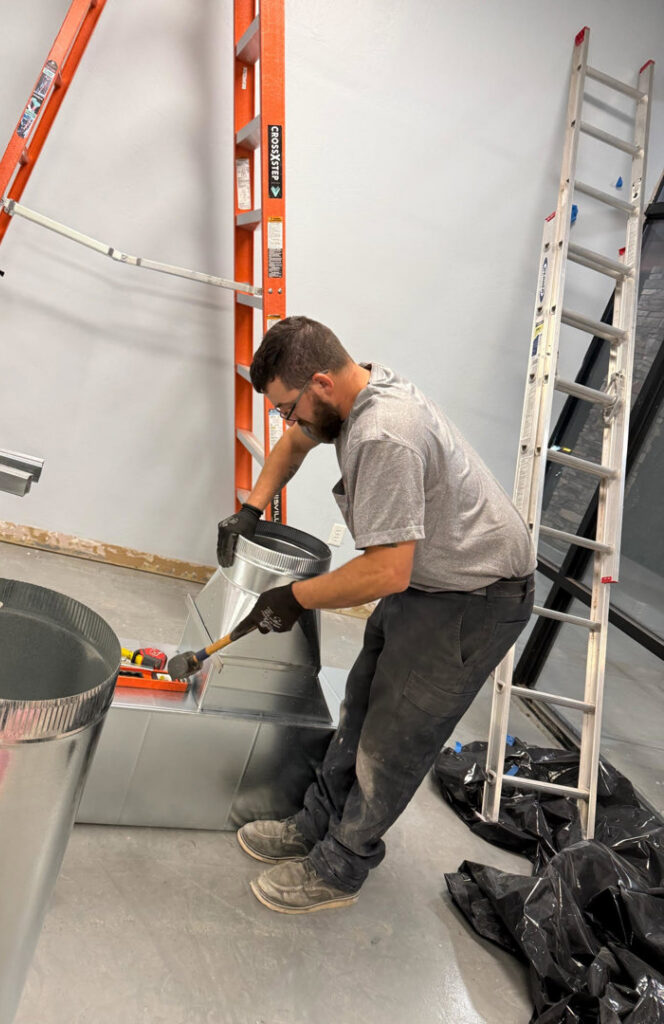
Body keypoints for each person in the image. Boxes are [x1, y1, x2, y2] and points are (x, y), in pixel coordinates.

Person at [217, 316, 536, 914]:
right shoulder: (350, 392)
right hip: (432, 577)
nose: (287, 423)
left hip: (475, 596)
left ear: (319, 383)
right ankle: (317, 824)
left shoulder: (383, 434)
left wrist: (294, 597)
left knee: (394, 737)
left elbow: (387, 571)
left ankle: (343, 865)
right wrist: (251, 511)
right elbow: (294, 444)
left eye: (289, 407)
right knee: (361, 702)